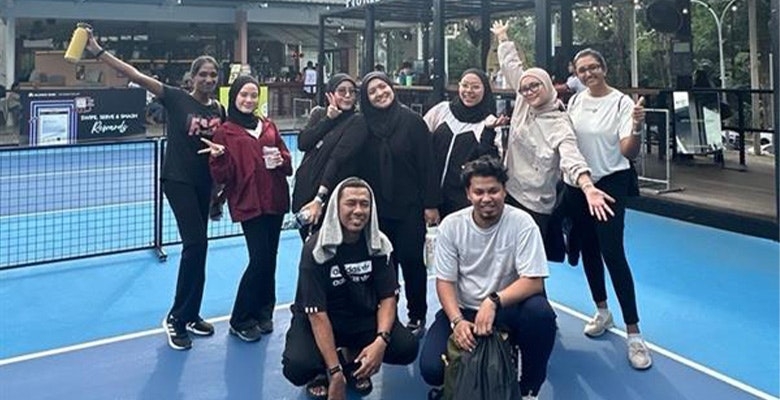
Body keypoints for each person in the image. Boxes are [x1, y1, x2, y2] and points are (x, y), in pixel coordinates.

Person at [85, 28, 224, 350]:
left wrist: (220, 187)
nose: (208, 79)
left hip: (205, 184)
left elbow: (223, 146)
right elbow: (134, 74)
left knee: (200, 248)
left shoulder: (218, 109)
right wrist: (97, 50)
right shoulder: (175, 97)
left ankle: (191, 313)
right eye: (203, 74)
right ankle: (176, 318)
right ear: (192, 78)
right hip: (178, 180)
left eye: (213, 75)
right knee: (195, 244)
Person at [418, 156, 557, 400]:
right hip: (465, 310)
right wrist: (457, 321)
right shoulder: (451, 226)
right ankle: (463, 374)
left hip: (506, 308)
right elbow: (445, 281)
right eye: (479, 192)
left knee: (541, 315)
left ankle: (529, 389)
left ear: (504, 191)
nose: (486, 198)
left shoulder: (523, 223)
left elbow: (534, 281)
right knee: (431, 369)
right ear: (468, 194)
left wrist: (493, 301)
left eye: (493, 191)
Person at [282, 177, 419, 400]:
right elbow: (317, 314)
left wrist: (381, 341)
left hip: (360, 316)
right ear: (336, 207)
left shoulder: (380, 244)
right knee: (298, 367)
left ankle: (351, 358)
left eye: (364, 204)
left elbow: (388, 298)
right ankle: (322, 369)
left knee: (406, 348)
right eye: (350, 203)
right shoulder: (315, 249)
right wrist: (335, 374)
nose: (358, 210)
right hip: (320, 319)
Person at [565, 48, 652, 370]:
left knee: (612, 252)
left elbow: (628, 151)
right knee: (588, 249)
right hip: (579, 184)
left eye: (593, 67)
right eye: (582, 70)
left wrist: (637, 126)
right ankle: (602, 310)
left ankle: (634, 334)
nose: (588, 73)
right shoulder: (575, 101)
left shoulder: (621, 103)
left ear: (604, 68)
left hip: (611, 183)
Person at [492, 20, 615, 242]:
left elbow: (571, 156)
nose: (529, 91)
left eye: (535, 86)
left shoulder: (559, 122)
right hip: (508, 190)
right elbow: (512, 67)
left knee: (530, 256)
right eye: (525, 88)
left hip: (535, 202)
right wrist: (503, 38)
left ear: (547, 85)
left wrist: (587, 187)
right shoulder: (523, 101)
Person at [200, 75, 292, 341]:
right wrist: (218, 158)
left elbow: (287, 161)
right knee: (259, 258)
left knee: (270, 258)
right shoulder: (225, 132)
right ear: (234, 97)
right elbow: (223, 175)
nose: (249, 100)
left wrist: (282, 159)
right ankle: (240, 318)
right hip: (249, 202)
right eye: (244, 95)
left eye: (253, 95)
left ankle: (264, 311)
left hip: (275, 200)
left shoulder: (268, 126)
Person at [358, 71, 440, 336]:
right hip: (376, 210)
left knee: (412, 261)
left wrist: (431, 204)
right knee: (384, 264)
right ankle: (387, 315)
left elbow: (428, 164)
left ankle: (417, 315)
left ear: (392, 87)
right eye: (372, 91)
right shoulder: (363, 125)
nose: (380, 93)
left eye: (383, 87)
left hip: (409, 208)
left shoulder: (412, 122)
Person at [293, 73, 367, 241]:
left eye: (351, 91)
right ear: (330, 94)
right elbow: (303, 142)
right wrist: (328, 120)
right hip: (305, 189)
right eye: (342, 91)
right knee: (308, 245)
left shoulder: (357, 121)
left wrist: (320, 197)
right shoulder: (320, 115)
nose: (347, 95)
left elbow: (337, 158)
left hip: (330, 194)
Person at [424, 68, 506, 218]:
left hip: (463, 202)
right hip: (432, 196)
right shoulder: (442, 110)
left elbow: (491, 164)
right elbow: (420, 139)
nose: (469, 91)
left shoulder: (490, 122)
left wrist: (488, 132)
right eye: (465, 85)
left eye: (475, 87)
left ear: (485, 90)